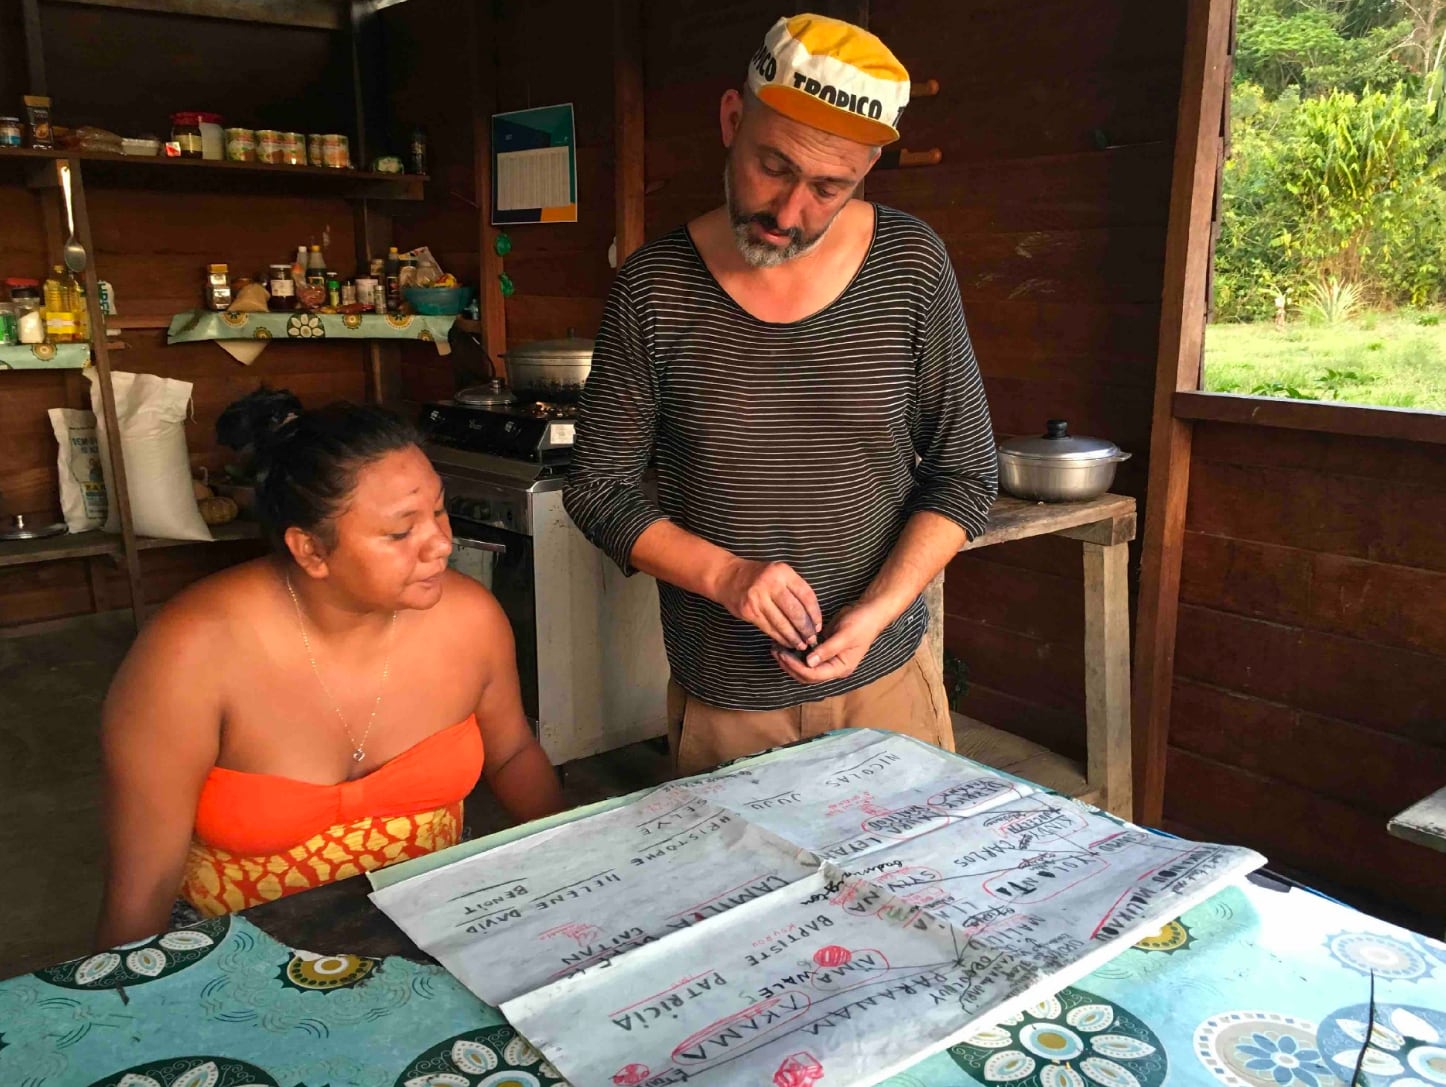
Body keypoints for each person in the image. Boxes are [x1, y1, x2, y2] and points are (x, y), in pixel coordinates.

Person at [563, 13, 998, 776]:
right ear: (732, 120)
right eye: (774, 166)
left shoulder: (911, 268)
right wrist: (727, 576)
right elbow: (598, 490)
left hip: (888, 686)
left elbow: (965, 475)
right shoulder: (654, 289)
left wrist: (877, 611)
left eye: (831, 187)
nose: (790, 212)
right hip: (728, 703)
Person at [97, 400, 563, 947]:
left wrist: (583, 860)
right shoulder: (191, 654)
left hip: (435, 921)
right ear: (311, 551)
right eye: (399, 533)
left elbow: (511, 754)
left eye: (439, 511)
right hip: (243, 951)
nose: (441, 543)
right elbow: (142, 887)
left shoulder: (469, 620)